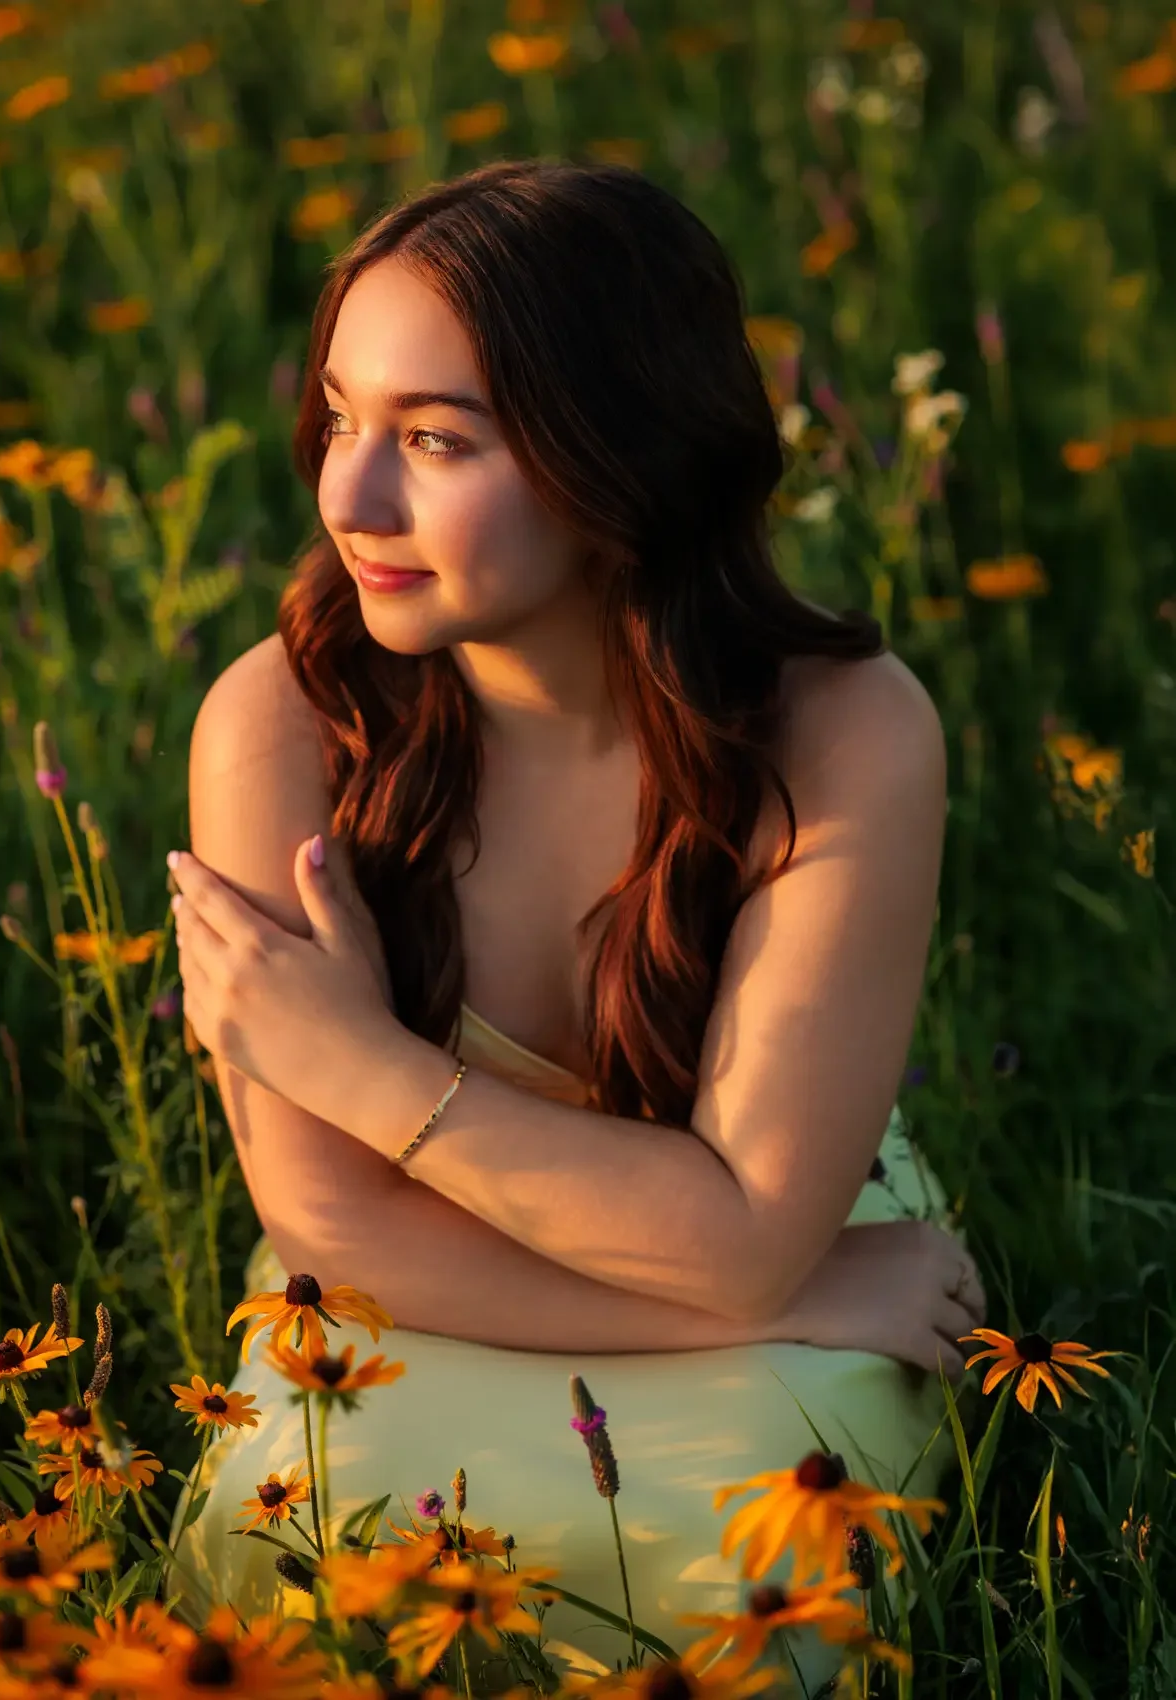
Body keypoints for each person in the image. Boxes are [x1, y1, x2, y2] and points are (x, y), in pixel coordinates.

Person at [169, 159, 988, 1696]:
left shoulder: (841, 732)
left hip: (767, 1274)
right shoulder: (281, 725)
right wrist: (799, 1290)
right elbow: (336, 1233)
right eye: (341, 420)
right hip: (436, 1311)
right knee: (317, 1574)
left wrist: (354, 1067)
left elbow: (751, 1216)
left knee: (724, 1585)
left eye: (432, 439)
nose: (348, 495)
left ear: (614, 457)